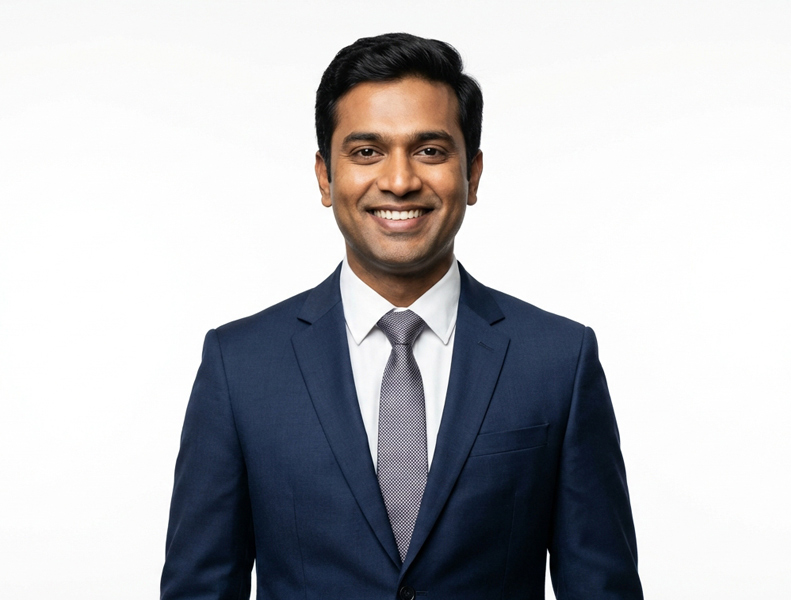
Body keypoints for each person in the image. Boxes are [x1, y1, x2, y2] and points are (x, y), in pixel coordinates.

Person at [161, 32, 644, 600]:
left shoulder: (559, 360)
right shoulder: (239, 365)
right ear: (325, 176)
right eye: (367, 152)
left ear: (473, 174)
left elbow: (602, 589)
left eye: (430, 151)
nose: (399, 180)